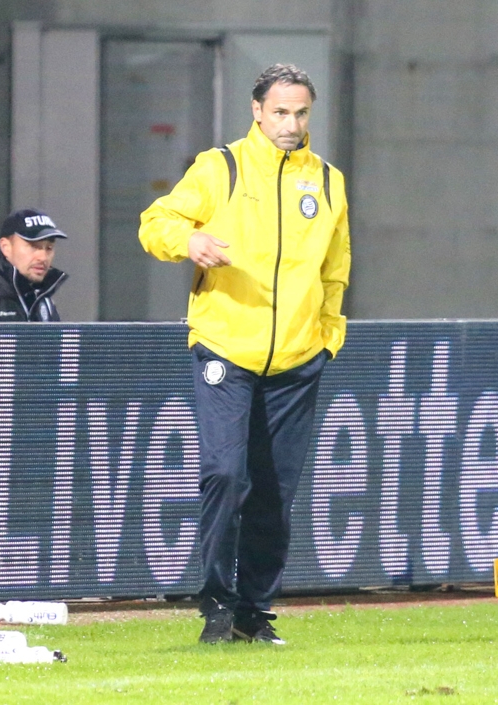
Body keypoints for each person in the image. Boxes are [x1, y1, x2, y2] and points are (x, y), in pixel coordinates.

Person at [138, 63, 351, 645]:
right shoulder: (221, 167)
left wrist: (327, 336)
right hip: (225, 350)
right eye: (280, 111)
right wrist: (190, 241)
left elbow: (336, 271)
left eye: (301, 112)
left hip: (297, 360)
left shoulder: (328, 182)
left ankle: (255, 613)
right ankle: (217, 603)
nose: (291, 122)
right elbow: (155, 223)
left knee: (275, 492)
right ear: (257, 110)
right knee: (227, 475)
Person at [0, 208, 69, 322]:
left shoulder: (43, 298)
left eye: (49, 248)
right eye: (33, 246)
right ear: (6, 247)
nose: (43, 257)